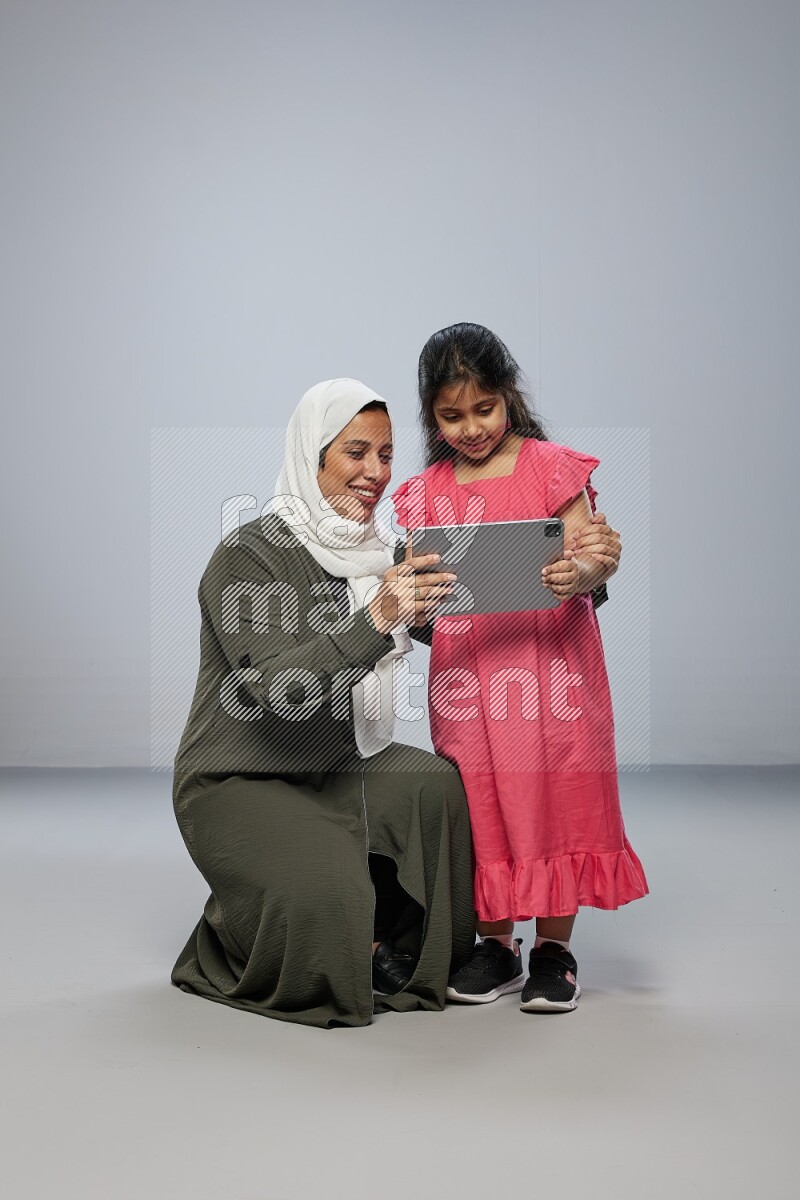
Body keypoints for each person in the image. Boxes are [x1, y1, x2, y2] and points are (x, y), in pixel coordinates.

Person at [170, 379, 474, 1028]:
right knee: (333, 881)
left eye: (387, 455)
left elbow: (474, 608)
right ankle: (237, 938)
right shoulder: (248, 554)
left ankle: (393, 946)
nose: (376, 473)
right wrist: (380, 614)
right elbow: (276, 693)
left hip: (333, 768)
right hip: (236, 780)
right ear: (313, 457)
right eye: (356, 452)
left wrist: (579, 574)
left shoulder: (381, 555)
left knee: (434, 788)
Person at [391, 323, 648, 1013]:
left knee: (560, 792)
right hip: (472, 680)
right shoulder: (426, 494)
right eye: (452, 415)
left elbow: (594, 551)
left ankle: (554, 950)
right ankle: (496, 944)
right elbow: (416, 593)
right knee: (481, 800)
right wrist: (406, 585)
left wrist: (584, 570)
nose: (471, 427)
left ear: (509, 396)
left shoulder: (550, 468)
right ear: (430, 415)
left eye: (484, 409)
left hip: (555, 670)